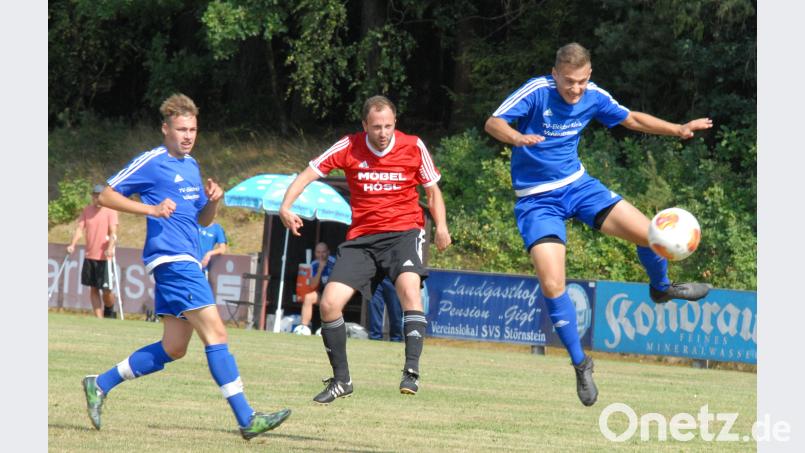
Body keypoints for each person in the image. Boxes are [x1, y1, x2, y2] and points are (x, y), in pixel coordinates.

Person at [484, 42, 713, 407]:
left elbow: (631, 118)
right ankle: (581, 363)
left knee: (651, 235)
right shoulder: (537, 91)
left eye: (583, 82)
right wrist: (517, 137)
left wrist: (677, 129)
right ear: (556, 73)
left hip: (578, 187)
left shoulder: (592, 95)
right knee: (553, 282)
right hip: (537, 200)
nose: (576, 90)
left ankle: (661, 287)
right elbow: (493, 122)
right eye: (570, 82)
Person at [81, 94, 290, 440]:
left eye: (193, 129)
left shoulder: (192, 166)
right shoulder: (153, 161)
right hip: (172, 260)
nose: (188, 136)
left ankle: (99, 384)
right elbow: (103, 194)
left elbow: (201, 221)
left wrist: (213, 202)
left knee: (174, 347)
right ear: (165, 129)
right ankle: (246, 418)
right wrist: (149, 210)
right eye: (181, 129)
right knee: (217, 334)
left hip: (186, 258)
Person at [279, 95, 451, 403]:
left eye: (387, 126)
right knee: (329, 303)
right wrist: (285, 206)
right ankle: (341, 380)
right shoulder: (348, 146)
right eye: (376, 127)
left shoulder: (413, 146)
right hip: (362, 239)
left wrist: (441, 226)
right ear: (364, 126)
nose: (383, 133)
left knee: (410, 290)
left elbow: (432, 190)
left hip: (404, 233)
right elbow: (308, 174)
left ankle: (411, 371)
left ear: (395, 123)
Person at [67, 184, 119, 319]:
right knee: (93, 288)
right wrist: (72, 244)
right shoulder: (87, 211)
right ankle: (99, 319)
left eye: (99, 195)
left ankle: (109, 310)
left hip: (105, 257)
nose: (97, 198)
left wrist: (109, 248)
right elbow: (79, 229)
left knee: (107, 290)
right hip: (90, 255)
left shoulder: (110, 211)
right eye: (95, 195)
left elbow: (113, 233)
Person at [298, 242, 336, 329]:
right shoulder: (313, 264)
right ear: (315, 253)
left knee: (332, 302)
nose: (321, 255)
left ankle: (330, 329)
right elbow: (312, 286)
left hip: (335, 295)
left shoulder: (335, 262)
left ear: (328, 252)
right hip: (322, 294)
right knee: (308, 297)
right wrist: (320, 269)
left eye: (323, 252)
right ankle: (304, 327)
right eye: (318, 252)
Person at [368, 277, 403, 342]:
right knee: (374, 308)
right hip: (375, 277)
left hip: (392, 277)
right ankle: (374, 338)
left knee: (395, 311)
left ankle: (396, 338)